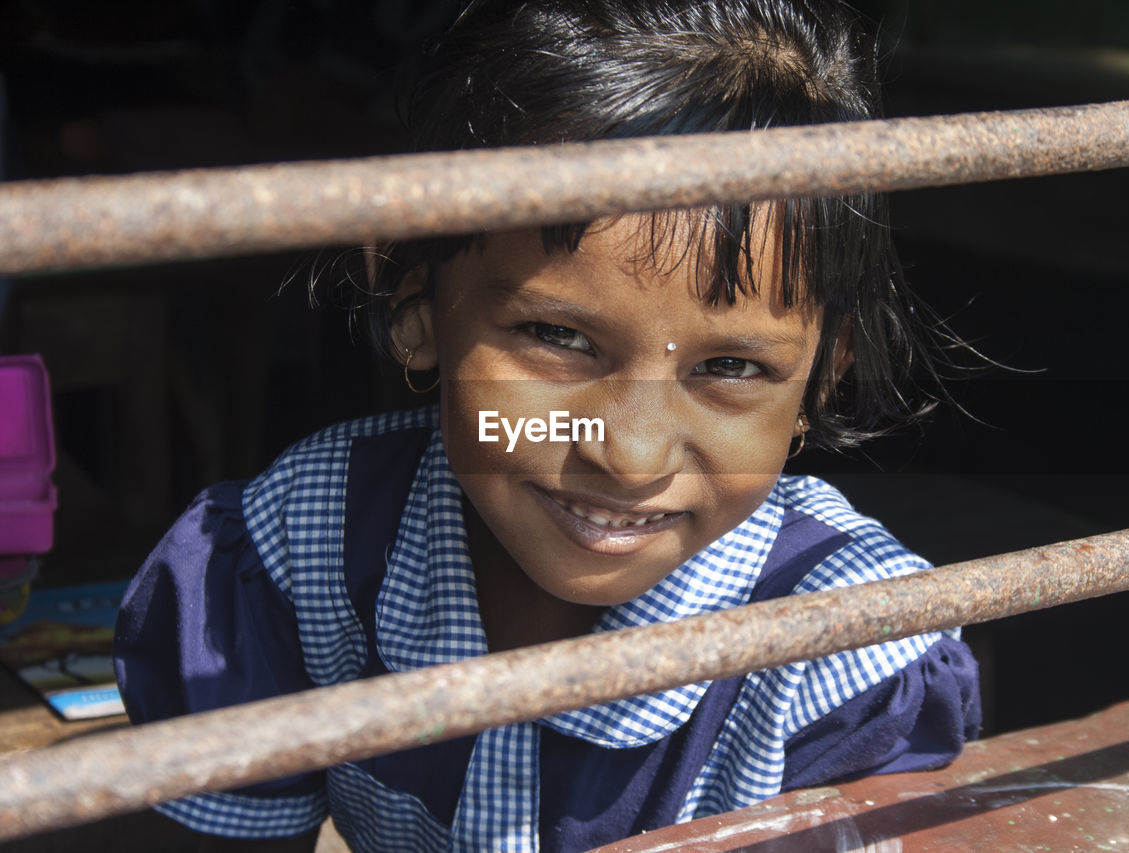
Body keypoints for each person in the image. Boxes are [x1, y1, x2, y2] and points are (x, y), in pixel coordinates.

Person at [114, 1, 981, 850]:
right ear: (414, 302)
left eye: (731, 367)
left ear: (823, 376)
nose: (633, 455)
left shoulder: (850, 646)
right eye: (558, 338)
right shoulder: (303, 545)